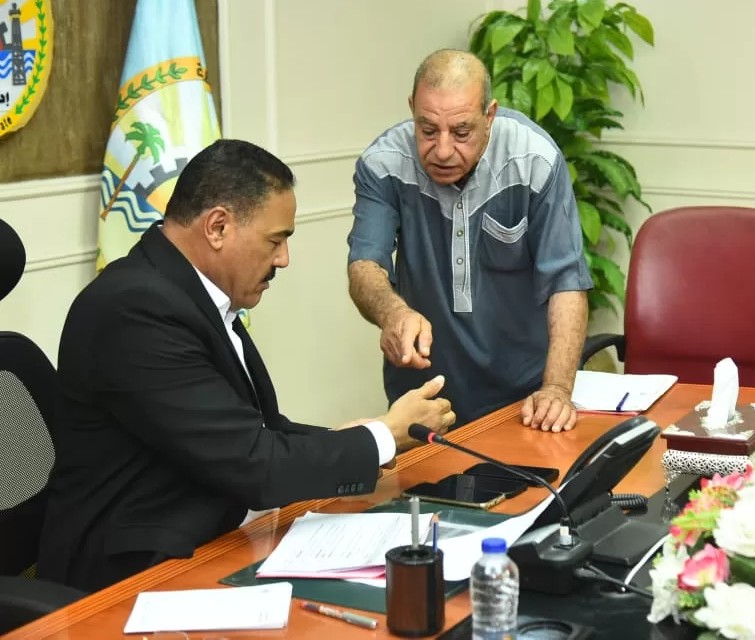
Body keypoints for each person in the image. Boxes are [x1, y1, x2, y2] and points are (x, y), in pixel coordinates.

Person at [37, 139, 455, 592]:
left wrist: (368, 437)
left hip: (210, 537)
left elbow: (258, 431)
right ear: (217, 227)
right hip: (131, 574)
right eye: (276, 240)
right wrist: (383, 437)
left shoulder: (188, 293)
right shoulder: (133, 310)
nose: (283, 259)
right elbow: (254, 463)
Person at [347, 49, 593, 431]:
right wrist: (393, 313)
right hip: (425, 401)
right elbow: (366, 265)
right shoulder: (383, 163)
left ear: (489, 116)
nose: (443, 150)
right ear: (412, 109)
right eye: (428, 130)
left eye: (462, 132)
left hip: (525, 400)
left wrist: (557, 388)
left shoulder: (535, 159)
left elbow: (566, 282)